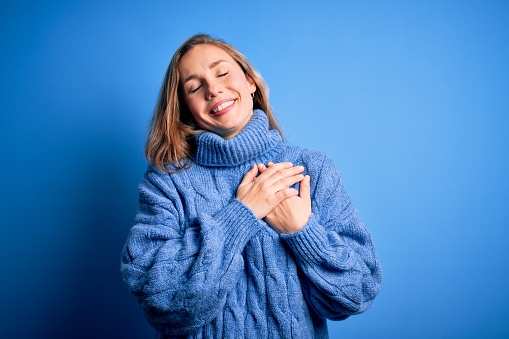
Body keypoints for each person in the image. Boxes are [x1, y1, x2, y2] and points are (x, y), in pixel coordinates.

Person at [121, 33, 382, 338]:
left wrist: (302, 230)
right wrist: (240, 215)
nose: (214, 89)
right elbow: (160, 303)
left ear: (250, 82)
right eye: (194, 86)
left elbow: (357, 293)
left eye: (222, 73)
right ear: (184, 106)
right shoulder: (166, 183)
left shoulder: (312, 169)